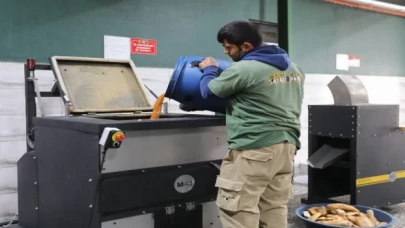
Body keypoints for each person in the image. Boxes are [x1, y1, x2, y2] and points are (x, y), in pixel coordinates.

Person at [184, 20, 305, 228]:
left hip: (254, 150)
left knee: (238, 210)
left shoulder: (244, 69)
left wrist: (210, 69)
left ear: (246, 46)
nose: (226, 52)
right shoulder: (294, 69)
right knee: (274, 208)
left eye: (229, 47)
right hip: (286, 148)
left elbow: (208, 91)